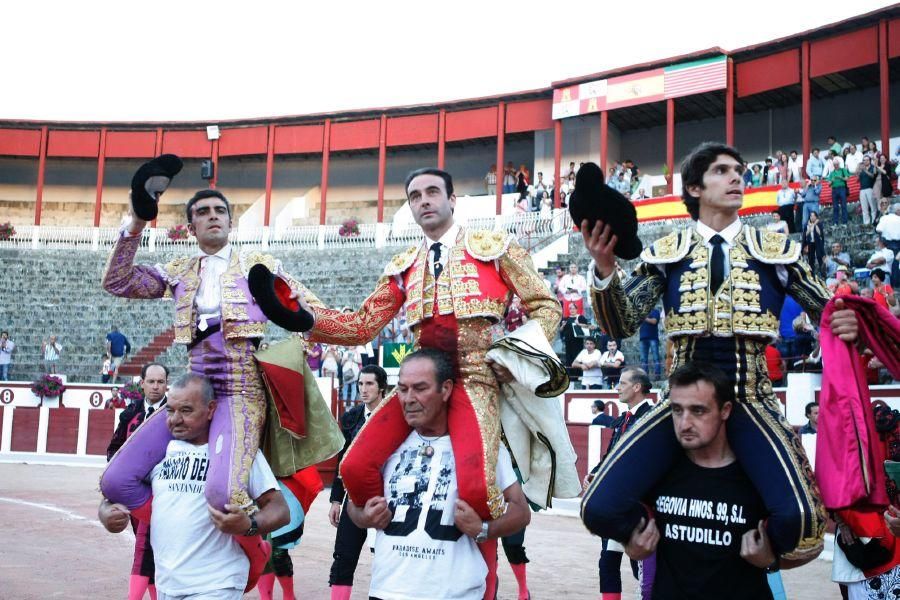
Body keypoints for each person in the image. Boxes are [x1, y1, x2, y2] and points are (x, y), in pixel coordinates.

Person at [581, 141, 860, 561]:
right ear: (694, 187)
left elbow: (829, 310)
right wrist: (605, 270)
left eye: (740, 171)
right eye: (722, 171)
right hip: (682, 401)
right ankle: (660, 542)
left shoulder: (775, 249)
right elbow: (619, 323)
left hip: (749, 395)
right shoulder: (666, 252)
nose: (736, 179)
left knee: (803, 522)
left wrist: (847, 322)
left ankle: (755, 563)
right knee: (597, 506)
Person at [303, 167, 562, 528]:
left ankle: (483, 570)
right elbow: (361, 326)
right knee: (354, 466)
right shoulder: (404, 265)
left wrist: (517, 358)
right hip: (419, 382)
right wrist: (304, 318)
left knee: (477, 488)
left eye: (432, 192)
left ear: (452, 200)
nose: (424, 201)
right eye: (415, 196)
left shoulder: (494, 248)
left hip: (475, 378)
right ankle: (399, 535)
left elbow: (546, 306)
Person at [100, 184, 323, 580]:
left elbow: (310, 311)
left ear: (231, 221)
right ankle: (184, 526)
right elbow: (117, 282)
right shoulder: (180, 270)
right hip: (194, 393)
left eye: (219, 210)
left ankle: (256, 555)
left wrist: (314, 322)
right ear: (191, 226)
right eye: (203, 212)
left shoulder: (260, 266)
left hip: (240, 390)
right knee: (116, 480)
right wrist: (136, 220)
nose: (213, 215)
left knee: (225, 495)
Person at [345, 349, 531, 600]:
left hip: (455, 594)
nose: (408, 398)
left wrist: (484, 529)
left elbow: (520, 510)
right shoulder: (385, 447)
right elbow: (354, 510)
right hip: (387, 589)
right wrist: (364, 516)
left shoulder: (482, 447)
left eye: (420, 388)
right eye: (402, 389)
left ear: (445, 389)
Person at [621, 363, 813, 599]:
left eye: (698, 410)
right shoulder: (659, 469)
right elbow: (635, 535)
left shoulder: (759, 473)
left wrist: (772, 561)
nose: (685, 423)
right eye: (677, 410)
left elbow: (810, 544)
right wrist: (634, 548)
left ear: (725, 410)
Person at [98, 374, 290, 600]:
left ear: (210, 409)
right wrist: (105, 514)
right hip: (167, 583)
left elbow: (280, 509)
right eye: (170, 410)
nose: (175, 419)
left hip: (218, 583)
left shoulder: (238, 453)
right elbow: (112, 498)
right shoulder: (159, 453)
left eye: (186, 411)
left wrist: (249, 524)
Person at [585, 367, 655, 600]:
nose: (617, 388)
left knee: (640, 564)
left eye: (623, 383)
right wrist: (596, 473)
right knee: (608, 560)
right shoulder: (623, 419)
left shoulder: (650, 417)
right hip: (617, 502)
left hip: (638, 504)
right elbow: (612, 454)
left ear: (637, 387)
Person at [105, 363, 169, 600]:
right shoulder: (131, 413)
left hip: (163, 493)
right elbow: (113, 450)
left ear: (166, 384)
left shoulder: (174, 413)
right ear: (142, 383)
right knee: (148, 549)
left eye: (160, 382)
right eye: (151, 381)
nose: (155, 386)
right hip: (135, 494)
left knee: (146, 548)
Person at [329, 365, 389, 600]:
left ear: (381, 387)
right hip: (354, 498)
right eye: (360, 384)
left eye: (369, 384)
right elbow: (341, 461)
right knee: (344, 555)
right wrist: (335, 499)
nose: (363, 389)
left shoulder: (394, 417)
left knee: (386, 557)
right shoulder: (352, 417)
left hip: (386, 498)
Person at [827, 158, 851, 226]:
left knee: (844, 205)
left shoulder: (843, 170)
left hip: (842, 188)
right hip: (834, 189)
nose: (836, 166)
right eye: (835, 165)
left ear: (839, 164)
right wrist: (832, 180)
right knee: (835, 207)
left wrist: (840, 178)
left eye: (837, 164)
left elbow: (847, 179)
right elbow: (828, 184)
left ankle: (845, 222)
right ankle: (835, 222)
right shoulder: (832, 173)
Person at [639, 308, 661, 380]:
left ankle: (657, 375)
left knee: (656, 358)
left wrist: (644, 317)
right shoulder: (642, 311)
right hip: (642, 338)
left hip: (653, 337)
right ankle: (645, 377)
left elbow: (654, 321)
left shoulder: (655, 311)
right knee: (643, 359)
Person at [802, 211, 825, 277]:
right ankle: (811, 274)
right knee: (811, 259)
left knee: (819, 256)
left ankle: (822, 274)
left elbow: (820, 233)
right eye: (811, 216)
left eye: (813, 216)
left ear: (816, 217)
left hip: (817, 243)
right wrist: (810, 227)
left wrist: (815, 225)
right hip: (810, 243)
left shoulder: (819, 223)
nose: (812, 217)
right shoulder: (807, 224)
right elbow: (805, 235)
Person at [859, 156, 878, 226]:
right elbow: (857, 178)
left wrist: (865, 170)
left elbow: (873, 176)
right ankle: (866, 223)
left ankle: (874, 222)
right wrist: (859, 170)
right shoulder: (861, 169)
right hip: (862, 189)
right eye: (864, 160)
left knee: (873, 207)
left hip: (870, 188)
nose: (865, 161)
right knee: (864, 208)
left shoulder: (872, 167)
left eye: (867, 160)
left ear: (870, 161)